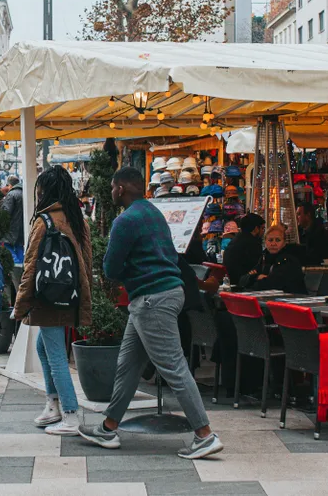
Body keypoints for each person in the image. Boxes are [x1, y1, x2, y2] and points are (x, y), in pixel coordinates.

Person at [79, 167, 223, 460]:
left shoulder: (125, 220)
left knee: (173, 367)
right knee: (128, 364)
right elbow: (170, 255)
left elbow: (110, 269)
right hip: (165, 293)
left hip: (150, 299)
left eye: (111, 187)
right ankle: (108, 428)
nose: (110, 192)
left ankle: (205, 435)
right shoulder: (154, 213)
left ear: (120, 188)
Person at [12, 167, 94, 436]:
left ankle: (69, 414)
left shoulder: (44, 220)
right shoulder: (76, 217)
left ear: (44, 190)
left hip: (48, 296)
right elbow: (87, 260)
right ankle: (53, 404)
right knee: (45, 347)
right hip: (69, 293)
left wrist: (20, 304)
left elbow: (30, 266)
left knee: (56, 354)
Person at [236, 224, 306, 294]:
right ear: (265, 241)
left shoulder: (289, 260)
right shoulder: (264, 258)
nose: (273, 243)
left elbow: (273, 284)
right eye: (270, 240)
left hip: (292, 300)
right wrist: (256, 277)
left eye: (278, 240)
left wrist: (257, 279)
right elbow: (242, 280)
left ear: (284, 243)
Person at [222, 213, 265, 283]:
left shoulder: (237, 239)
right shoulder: (253, 244)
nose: (263, 232)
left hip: (231, 280)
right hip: (241, 283)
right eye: (262, 228)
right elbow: (256, 269)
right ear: (256, 229)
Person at [294, 201, 328, 266]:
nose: (297, 217)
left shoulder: (320, 232)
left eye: (299, 214)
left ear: (308, 215)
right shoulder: (298, 231)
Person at [1, 175, 25, 262]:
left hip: (11, 227)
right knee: (19, 248)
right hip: (22, 227)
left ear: (10, 185)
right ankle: (22, 267)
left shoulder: (11, 194)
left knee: (7, 246)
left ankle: (16, 267)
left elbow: (5, 212)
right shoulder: (24, 193)